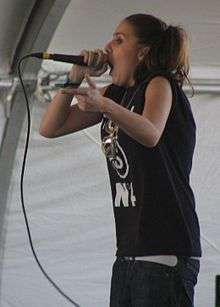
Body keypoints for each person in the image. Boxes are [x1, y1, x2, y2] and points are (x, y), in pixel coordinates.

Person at [39, 13, 201, 307]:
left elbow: (150, 133)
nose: (108, 46)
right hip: (128, 253)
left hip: (164, 252)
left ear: (143, 51)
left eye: (119, 39)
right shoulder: (116, 95)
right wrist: (72, 79)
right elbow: (51, 128)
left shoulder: (159, 84)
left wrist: (103, 104)